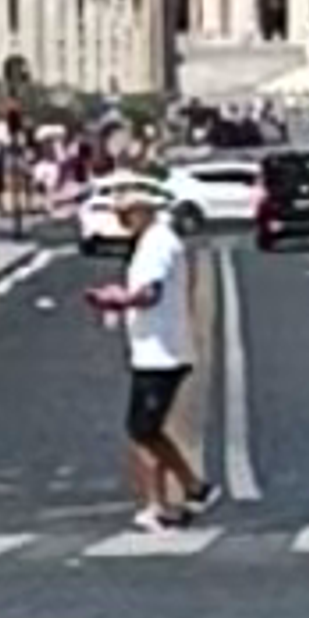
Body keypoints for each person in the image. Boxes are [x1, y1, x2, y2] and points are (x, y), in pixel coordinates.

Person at [104, 182, 206, 529]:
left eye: (125, 213)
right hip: (153, 349)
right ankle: (167, 499)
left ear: (144, 211)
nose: (121, 221)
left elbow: (150, 293)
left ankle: (186, 488)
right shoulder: (151, 242)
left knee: (143, 429)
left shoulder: (156, 244)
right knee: (145, 430)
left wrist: (117, 300)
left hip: (162, 351)